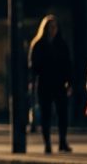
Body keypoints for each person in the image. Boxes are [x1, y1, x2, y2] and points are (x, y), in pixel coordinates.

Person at [28, 14, 73, 154]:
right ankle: (47, 143)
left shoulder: (61, 44)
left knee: (62, 114)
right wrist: (33, 79)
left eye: (54, 27)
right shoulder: (38, 44)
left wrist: (69, 82)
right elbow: (32, 65)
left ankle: (62, 142)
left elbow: (68, 64)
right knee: (46, 114)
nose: (53, 30)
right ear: (45, 28)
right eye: (50, 27)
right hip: (44, 83)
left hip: (59, 83)